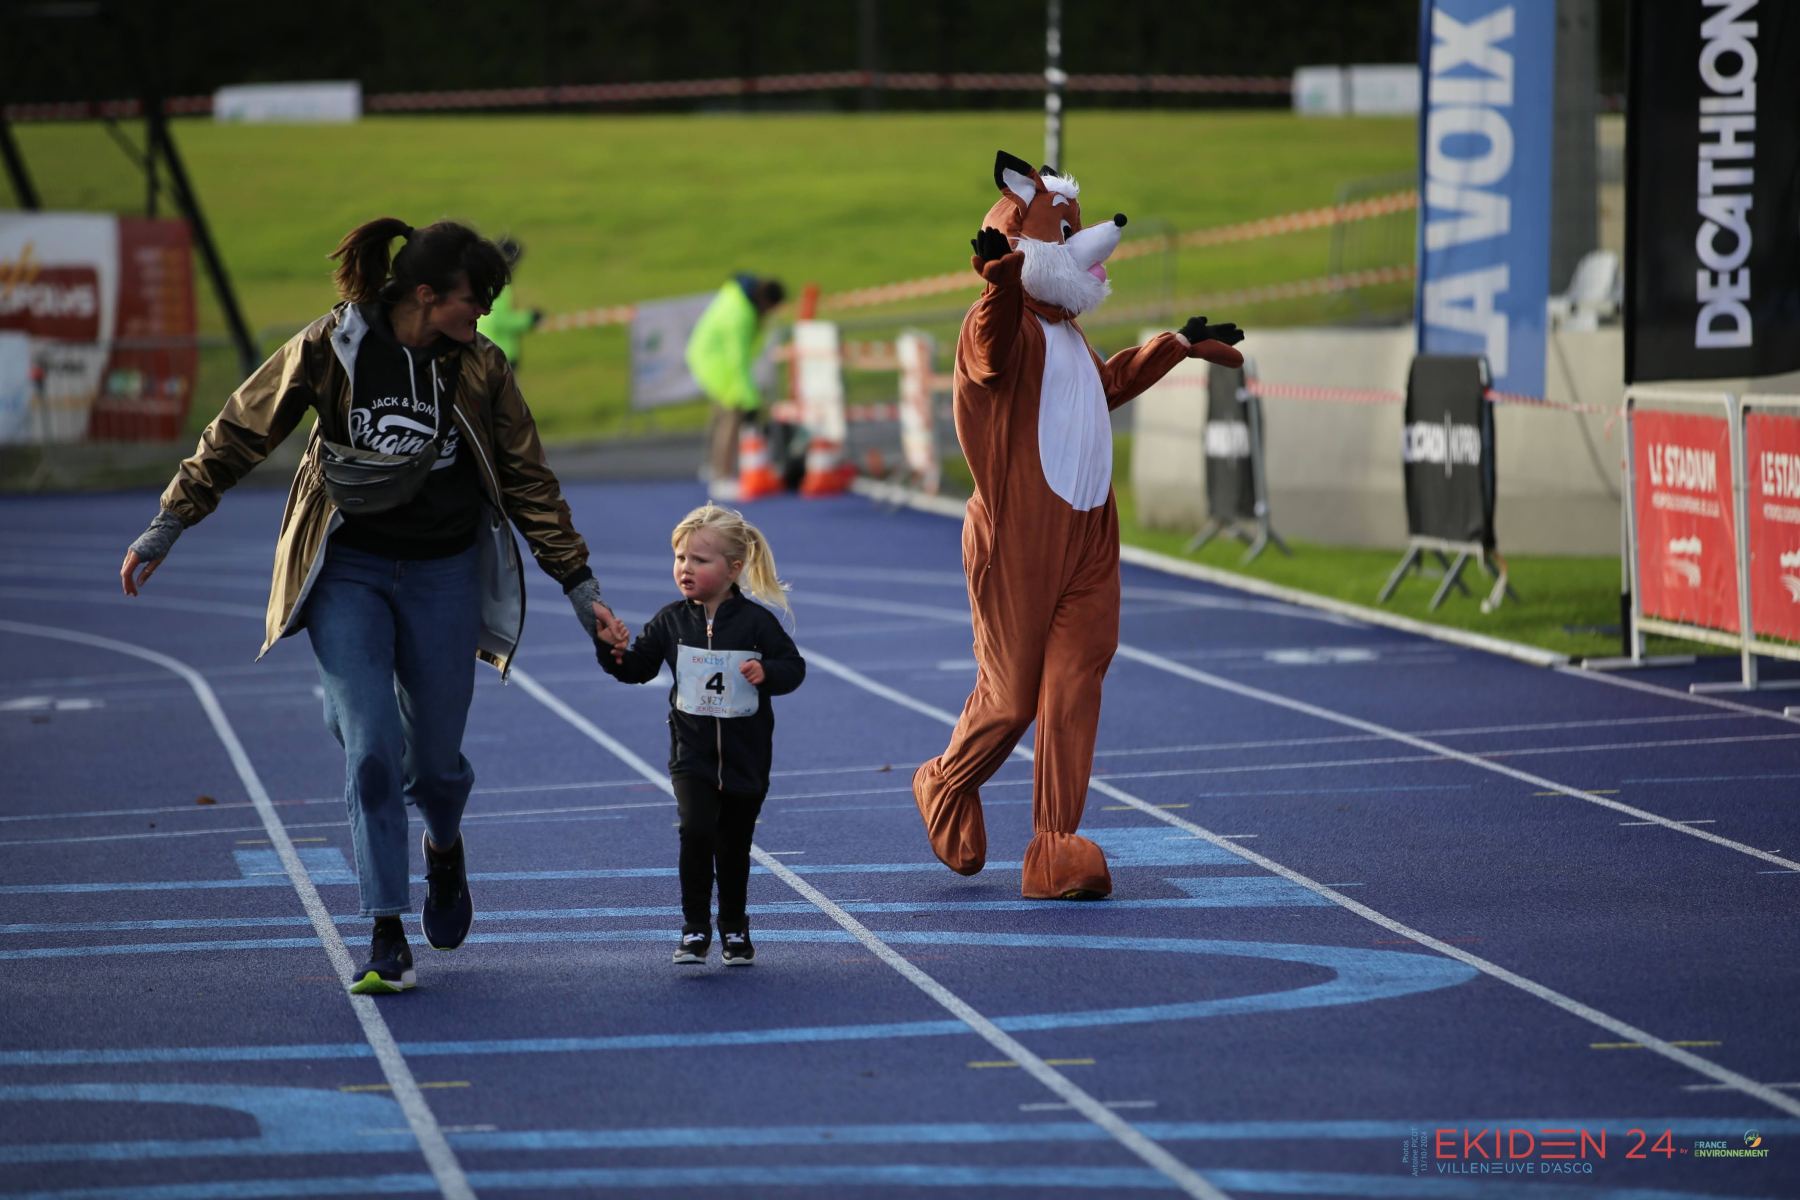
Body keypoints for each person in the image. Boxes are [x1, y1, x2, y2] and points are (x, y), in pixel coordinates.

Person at [119, 217, 629, 995]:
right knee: (370, 747)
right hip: (347, 569)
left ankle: (444, 847)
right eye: (474, 299)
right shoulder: (332, 346)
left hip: (444, 573)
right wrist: (170, 521)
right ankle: (386, 930)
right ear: (426, 294)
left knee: (435, 766)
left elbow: (528, 479)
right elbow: (241, 428)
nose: (484, 314)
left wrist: (581, 587)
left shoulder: (481, 366)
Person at [591, 503, 805, 965]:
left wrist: (767, 672)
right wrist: (612, 651)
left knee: (734, 845)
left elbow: (794, 668)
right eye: (680, 558)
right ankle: (694, 927)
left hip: (747, 756)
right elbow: (637, 668)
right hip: (691, 754)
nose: (685, 568)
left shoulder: (756, 623)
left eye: (699, 560)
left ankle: (734, 927)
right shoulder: (670, 621)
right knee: (696, 831)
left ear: (733, 568)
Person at [685, 274, 785, 493]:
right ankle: (722, 477)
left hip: (709, 358)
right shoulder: (741, 315)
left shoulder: (739, 300)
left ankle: (712, 466)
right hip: (715, 363)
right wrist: (751, 401)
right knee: (732, 413)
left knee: (721, 411)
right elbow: (738, 362)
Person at [476, 237, 542, 369]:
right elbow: (499, 320)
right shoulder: (499, 285)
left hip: (485, 351)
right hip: (499, 353)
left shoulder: (483, 281)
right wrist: (529, 318)